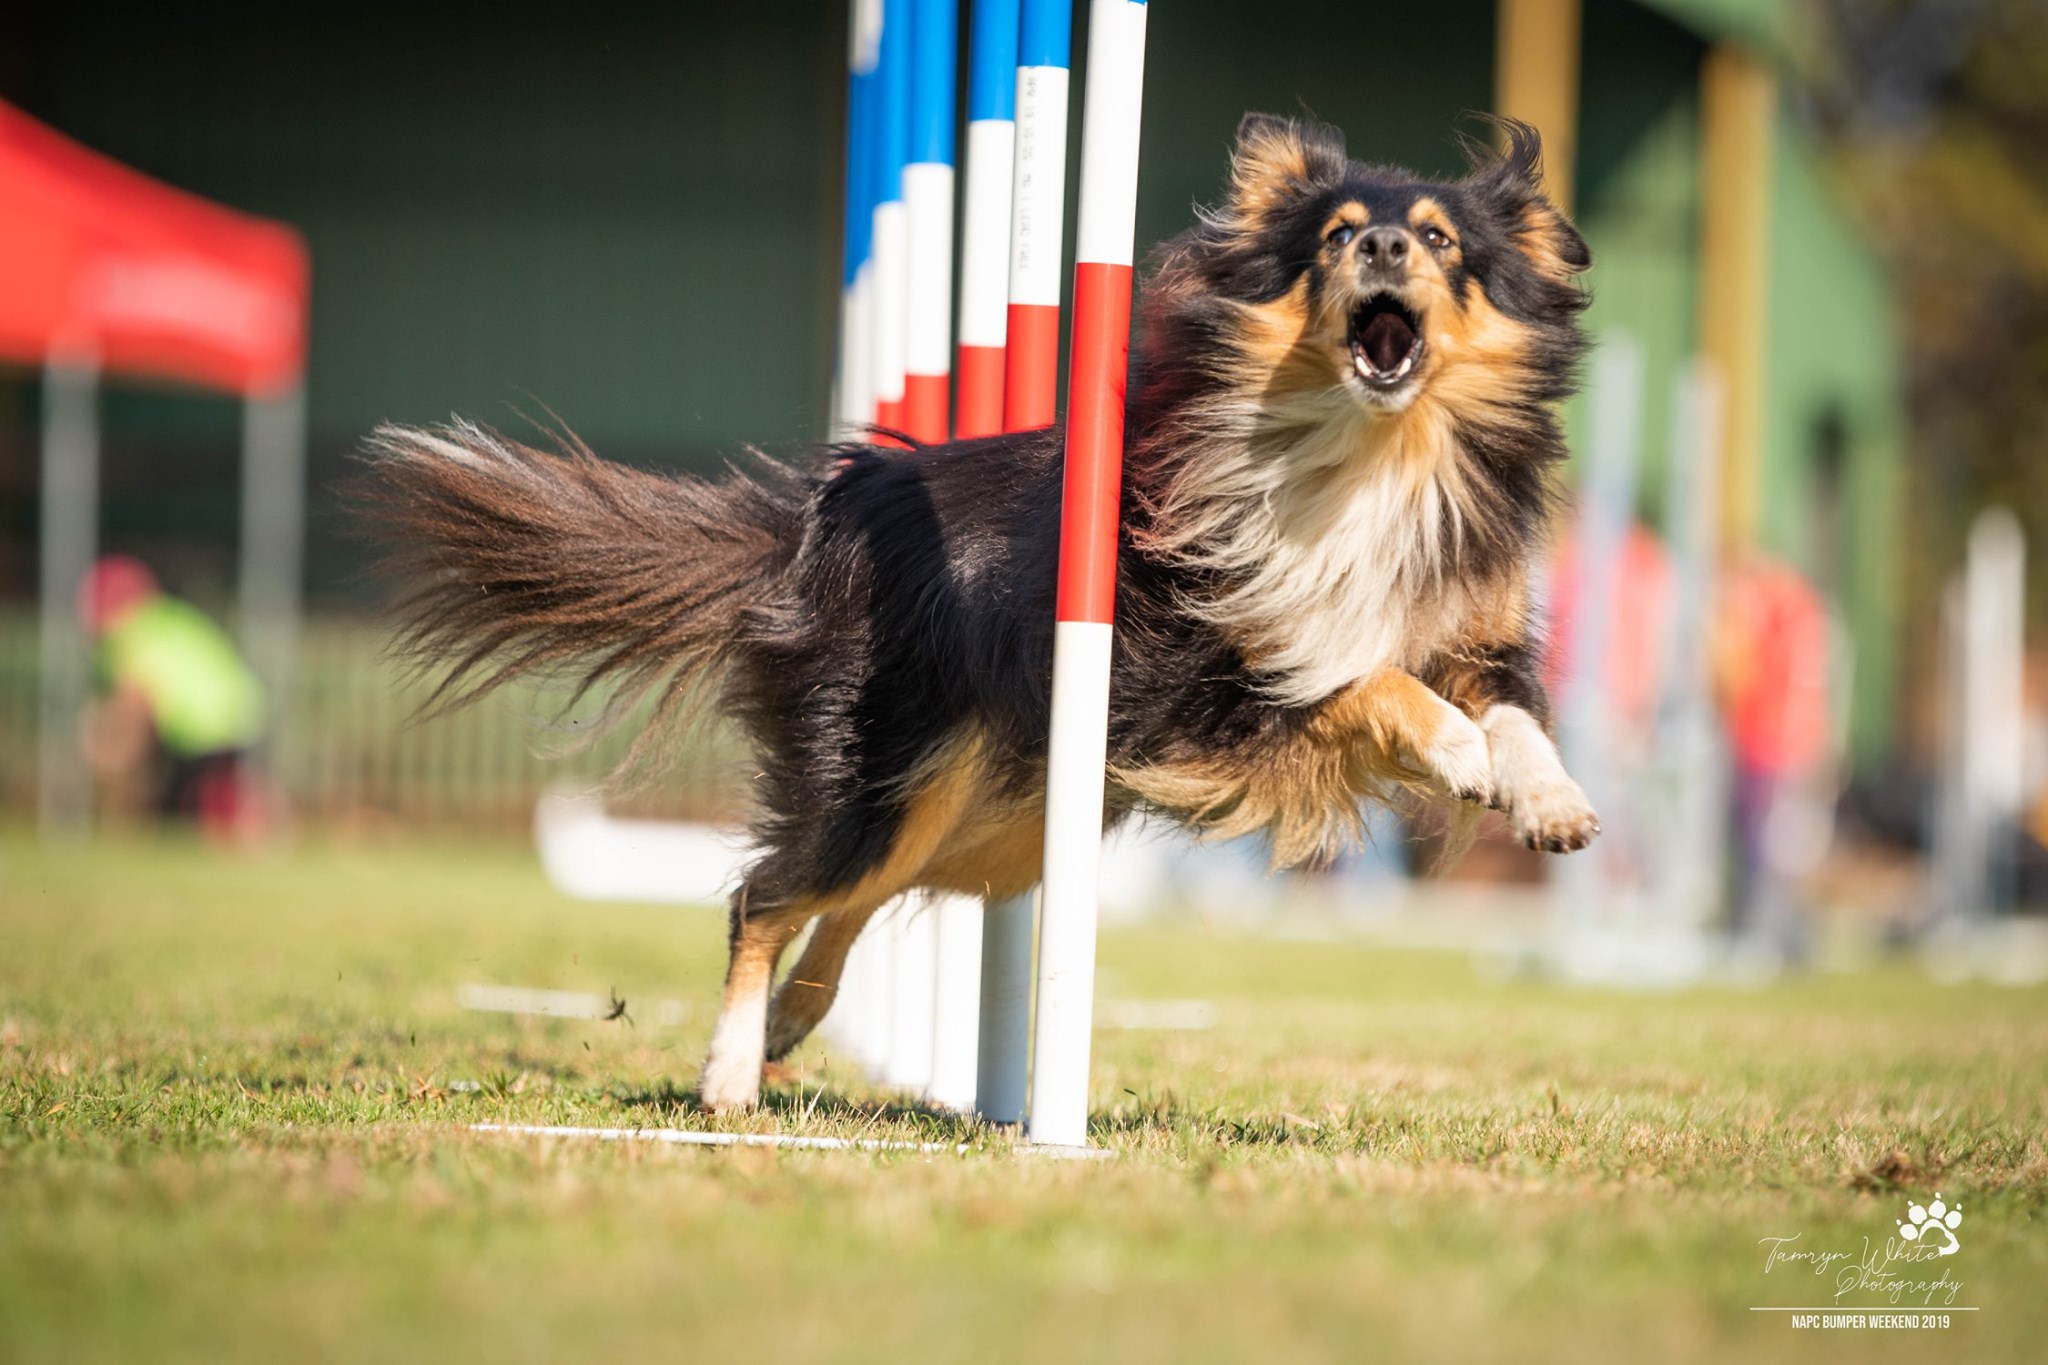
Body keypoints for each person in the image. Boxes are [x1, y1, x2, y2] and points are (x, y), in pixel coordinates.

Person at [79, 556, 267, 839]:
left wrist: (108, 754)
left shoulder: (131, 636)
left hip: (198, 727)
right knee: (207, 797)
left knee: (179, 815)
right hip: (244, 711)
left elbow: (134, 710)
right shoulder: (169, 617)